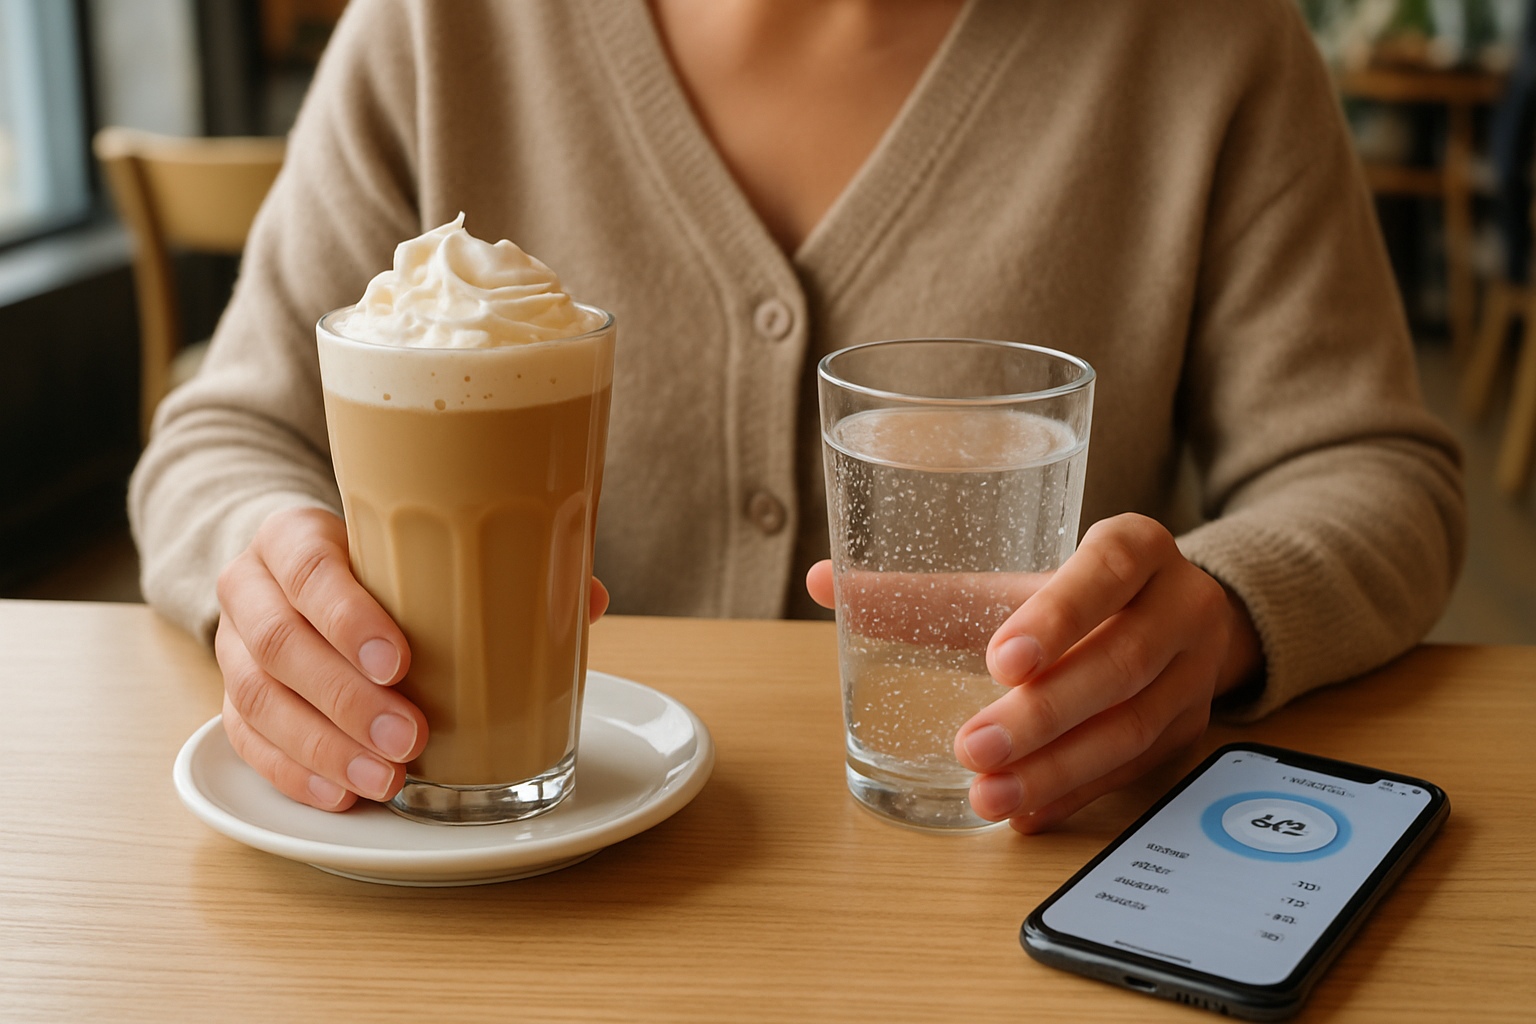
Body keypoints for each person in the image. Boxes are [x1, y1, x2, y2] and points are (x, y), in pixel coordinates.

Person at [129, 0, 1465, 832]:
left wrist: (1216, 617)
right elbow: (222, 437)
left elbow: (1372, 471)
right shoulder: (437, 27)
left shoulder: (1213, 38)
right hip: (471, 895)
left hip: (995, 892)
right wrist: (271, 578)